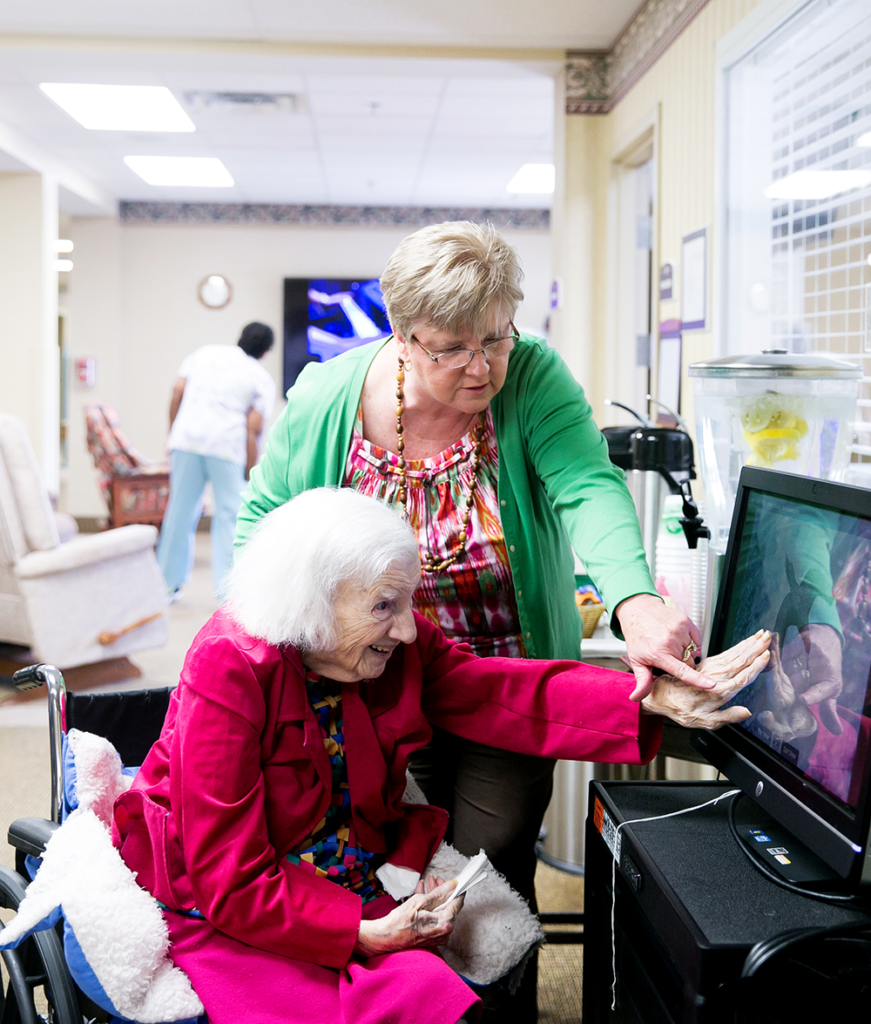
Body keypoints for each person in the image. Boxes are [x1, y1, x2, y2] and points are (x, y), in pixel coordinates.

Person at [234, 222, 708, 1017]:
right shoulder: (327, 399)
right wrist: (253, 647)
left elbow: (586, 486)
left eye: (495, 338)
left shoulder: (531, 379)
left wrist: (634, 601)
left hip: (501, 678)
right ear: (402, 334)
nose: (481, 366)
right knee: (384, 858)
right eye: (451, 348)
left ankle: (498, 1004)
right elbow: (262, 522)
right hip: (373, 680)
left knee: (482, 868)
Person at [114, 489, 770, 1024]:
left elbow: (500, 692)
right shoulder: (230, 661)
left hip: (343, 877)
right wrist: (358, 933)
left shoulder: (397, 643)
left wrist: (644, 700)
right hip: (234, 907)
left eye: (406, 604)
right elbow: (225, 874)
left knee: (445, 1006)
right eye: (382, 607)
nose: (406, 629)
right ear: (311, 604)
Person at [157, 322, 276, 601]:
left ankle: (167, 586)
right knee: (230, 517)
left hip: (186, 441)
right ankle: (229, 593)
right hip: (226, 447)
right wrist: (250, 468)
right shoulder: (260, 377)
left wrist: (173, 432)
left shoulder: (204, 354)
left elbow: (177, 392)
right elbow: (253, 429)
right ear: (267, 351)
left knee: (179, 512)